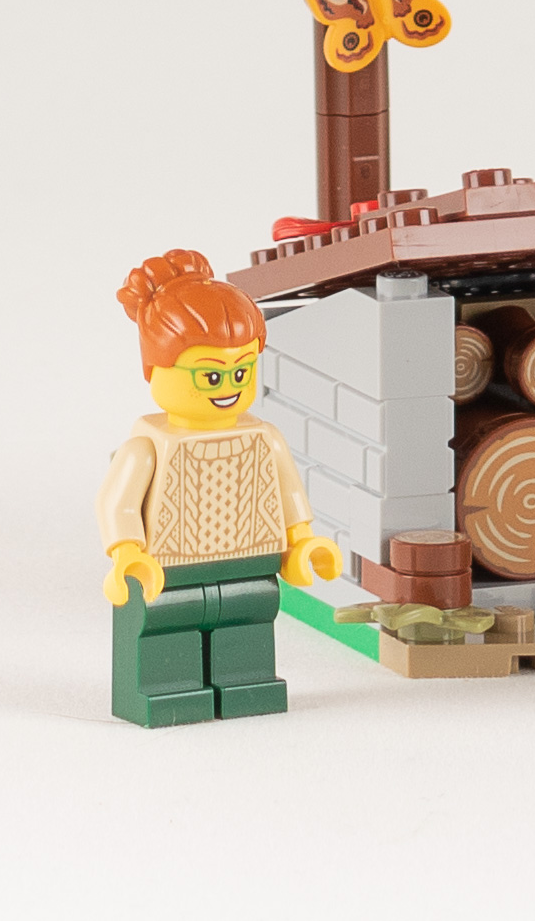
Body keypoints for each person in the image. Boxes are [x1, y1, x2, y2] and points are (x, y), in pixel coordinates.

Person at [96, 248, 341, 726]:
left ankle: (246, 682)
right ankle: (166, 690)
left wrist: (302, 540)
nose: (228, 386)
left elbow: (288, 494)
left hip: (251, 560)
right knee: (167, 623)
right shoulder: (148, 446)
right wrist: (127, 553)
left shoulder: (264, 438)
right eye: (210, 374)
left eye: (241, 371)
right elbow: (116, 503)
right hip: (169, 568)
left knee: (248, 618)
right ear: (156, 369)